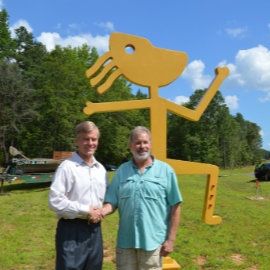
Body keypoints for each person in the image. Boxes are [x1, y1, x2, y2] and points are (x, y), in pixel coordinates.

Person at [100, 126, 182, 270]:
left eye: (145, 142)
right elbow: (112, 202)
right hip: (126, 244)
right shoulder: (122, 171)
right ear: (130, 145)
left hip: (153, 244)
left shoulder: (166, 171)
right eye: (138, 143)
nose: (142, 146)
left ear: (150, 144)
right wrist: (100, 212)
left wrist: (171, 239)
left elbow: (175, 205)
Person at [48, 121, 108, 270]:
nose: (90, 143)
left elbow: (107, 199)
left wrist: (99, 213)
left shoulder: (101, 169)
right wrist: (86, 210)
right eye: (85, 139)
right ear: (77, 141)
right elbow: (54, 201)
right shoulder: (67, 167)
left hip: (95, 231)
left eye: (93, 139)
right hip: (71, 231)